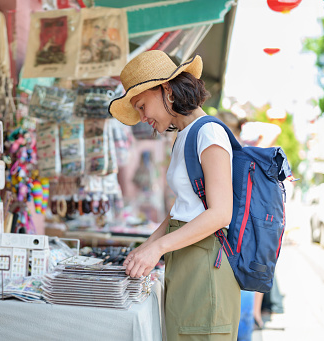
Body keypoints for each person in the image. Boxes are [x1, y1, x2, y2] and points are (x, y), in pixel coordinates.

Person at [108, 50, 241, 340]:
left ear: (166, 89)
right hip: (187, 262)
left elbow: (220, 213)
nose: (142, 117)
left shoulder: (209, 133)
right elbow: (182, 209)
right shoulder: (185, 135)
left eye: (142, 106)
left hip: (206, 267)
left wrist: (157, 249)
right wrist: (146, 247)